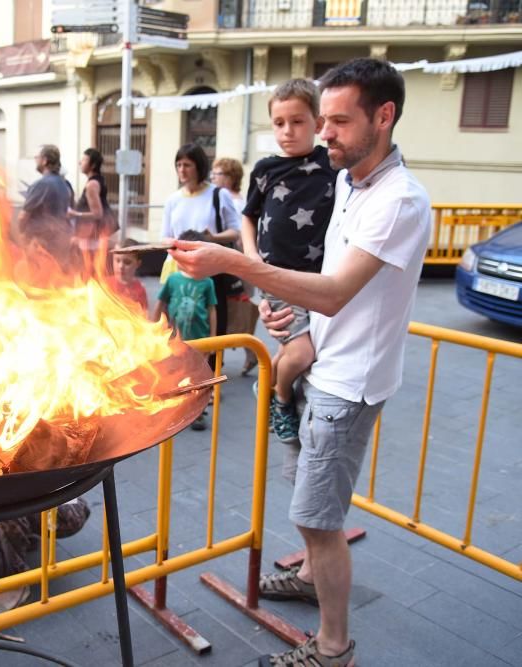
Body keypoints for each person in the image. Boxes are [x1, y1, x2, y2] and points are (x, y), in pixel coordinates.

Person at [172, 58, 430, 667]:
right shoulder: (347, 180)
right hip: (320, 361)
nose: (325, 133)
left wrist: (233, 263)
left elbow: (339, 289)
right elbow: (327, 281)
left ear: (384, 116)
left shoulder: (398, 201)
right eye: (325, 119)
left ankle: (335, 648)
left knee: (317, 517)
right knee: (303, 492)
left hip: (348, 384)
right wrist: (301, 320)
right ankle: (313, 578)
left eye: (339, 121)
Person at [241, 78, 337, 444]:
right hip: (276, 277)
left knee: (291, 351)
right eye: (279, 123)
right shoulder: (266, 169)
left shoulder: (331, 163)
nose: (287, 131)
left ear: (317, 121)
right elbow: (248, 215)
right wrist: (251, 258)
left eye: (297, 121)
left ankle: (267, 387)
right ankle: (281, 399)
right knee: (301, 352)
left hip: (317, 279)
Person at [161, 143, 242, 338]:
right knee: (177, 325)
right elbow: (164, 236)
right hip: (178, 269)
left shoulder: (218, 194)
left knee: (211, 323)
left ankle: (212, 364)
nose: (182, 170)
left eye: (187, 164)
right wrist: (177, 247)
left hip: (210, 269)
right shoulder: (173, 199)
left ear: (199, 166)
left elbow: (235, 231)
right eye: (178, 165)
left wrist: (212, 238)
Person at [155, 230, 217, 430]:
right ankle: (176, 410)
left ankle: (197, 412)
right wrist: (154, 328)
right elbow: (161, 304)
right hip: (176, 340)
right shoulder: (173, 280)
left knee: (198, 377)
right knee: (177, 374)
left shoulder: (207, 282)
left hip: (200, 338)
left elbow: (212, 310)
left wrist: (214, 338)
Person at [212, 156, 261, 376]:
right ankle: (247, 351)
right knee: (235, 311)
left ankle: (246, 351)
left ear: (230, 177)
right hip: (235, 263)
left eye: (218, 173)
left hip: (235, 264)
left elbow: (240, 235)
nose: (213, 177)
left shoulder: (234, 201)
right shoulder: (225, 197)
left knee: (234, 311)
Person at [19, 144, 73, 237]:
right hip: (61, 238)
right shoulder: (65, 184)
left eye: (37, 157)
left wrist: (21, 233)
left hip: (42, 241)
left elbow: (23, 216)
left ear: (44, 161)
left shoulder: (41, 184)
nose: (35, 160)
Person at [68, 147, 114, 250]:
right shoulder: (97, 181)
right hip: (93, 235)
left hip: (91, 237)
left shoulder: (92, 185)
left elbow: (97, 213)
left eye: (84, 160)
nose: (80, 162)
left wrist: (74, 214)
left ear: (93, 165)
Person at [104, 239, 148, 313]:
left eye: (127, 262)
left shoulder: (139, 290)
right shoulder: (104, 284)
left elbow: (143, 315)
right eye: (117, 260)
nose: (121, 266)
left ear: (137, 264)